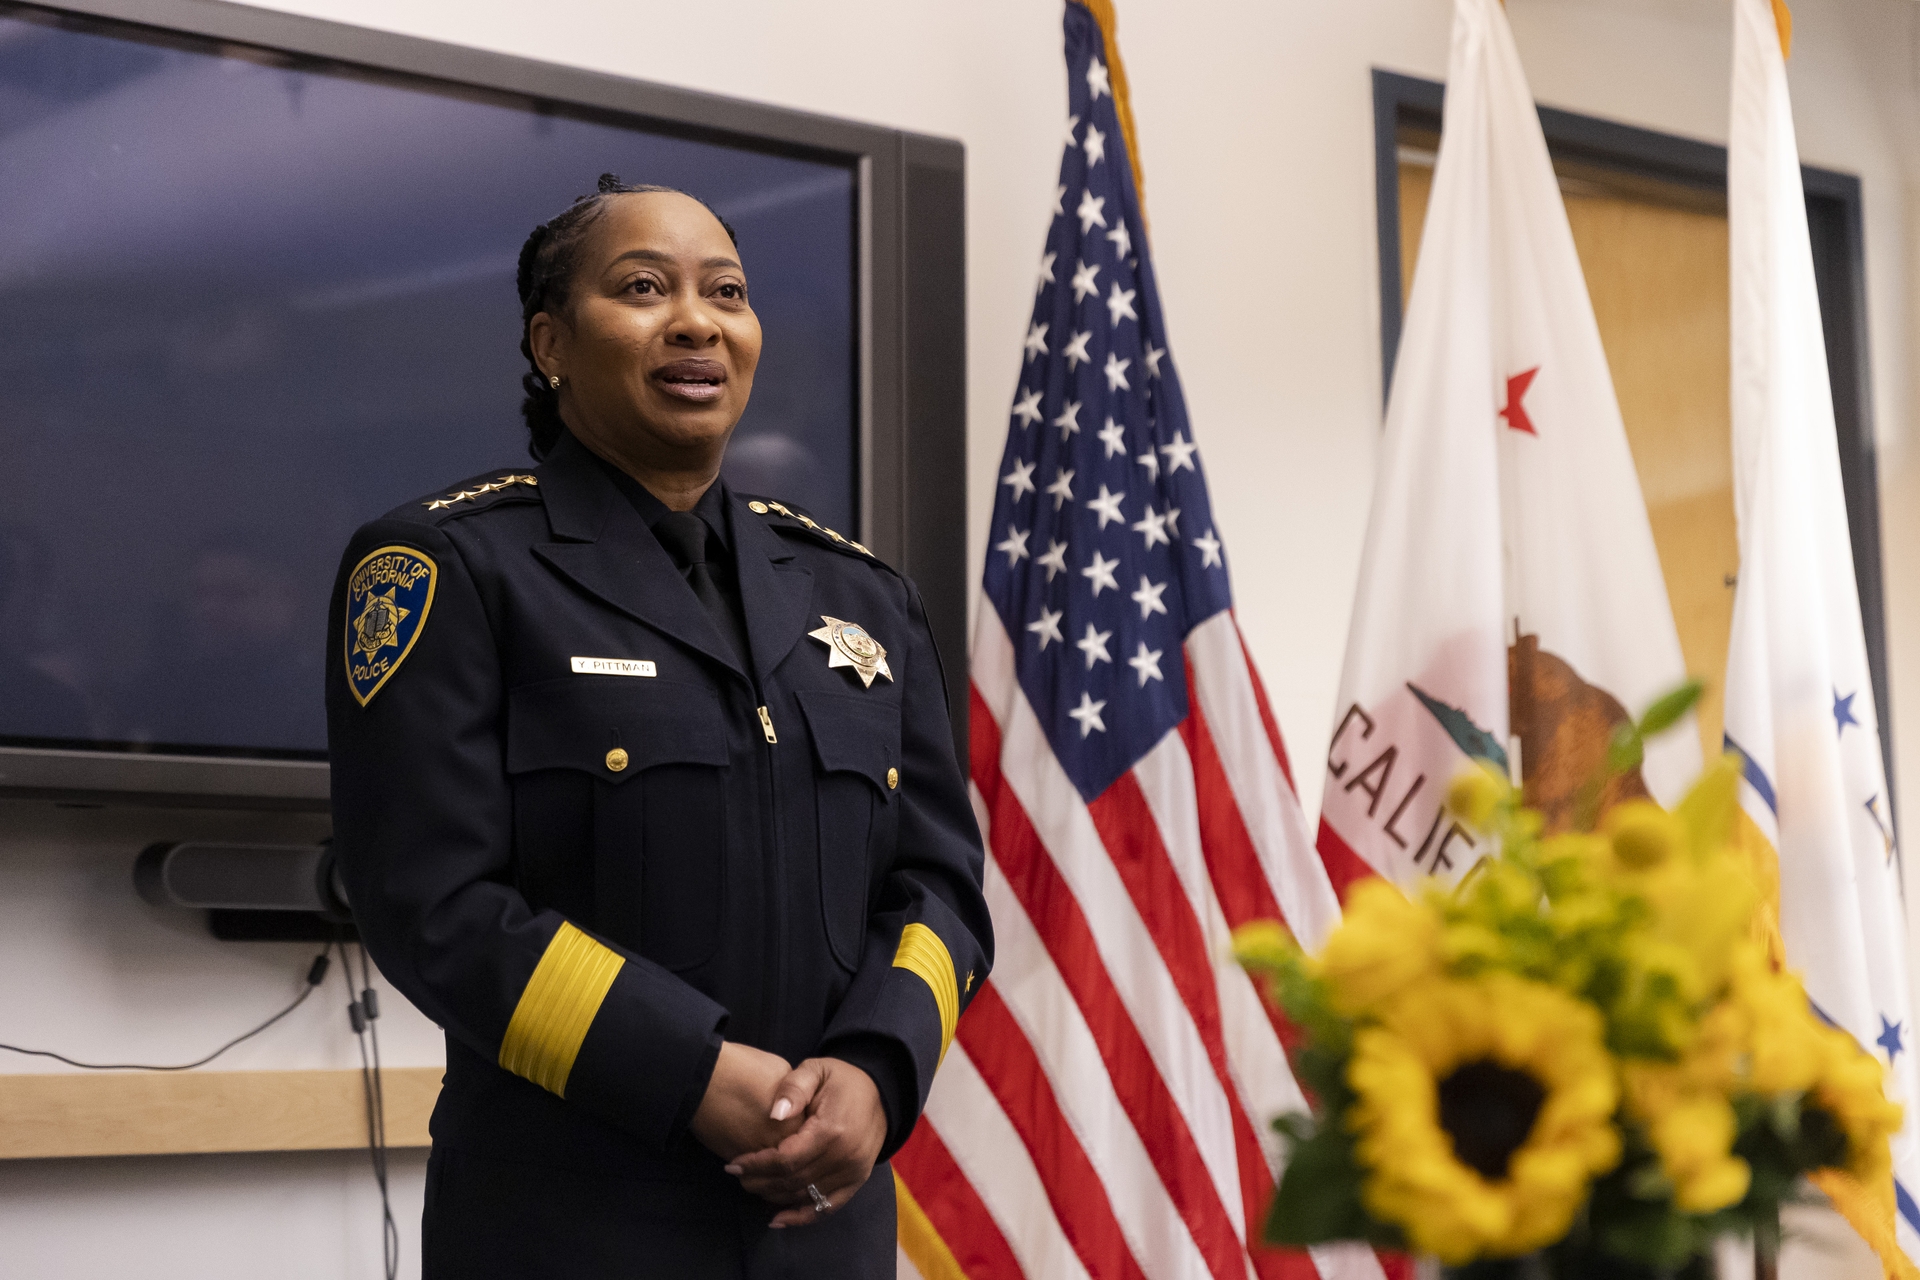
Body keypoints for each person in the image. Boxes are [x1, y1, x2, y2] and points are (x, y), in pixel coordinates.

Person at [325, 175, 991, 1278]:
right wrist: (692, 1070)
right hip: (572, 1225)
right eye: (644, 287)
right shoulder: (450, 567)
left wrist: (878, 1068)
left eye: (726, 291)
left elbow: (941, 888)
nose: (697, 320)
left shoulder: (866, 596)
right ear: (552, 342)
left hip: (822, 1228)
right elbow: (429, 901)